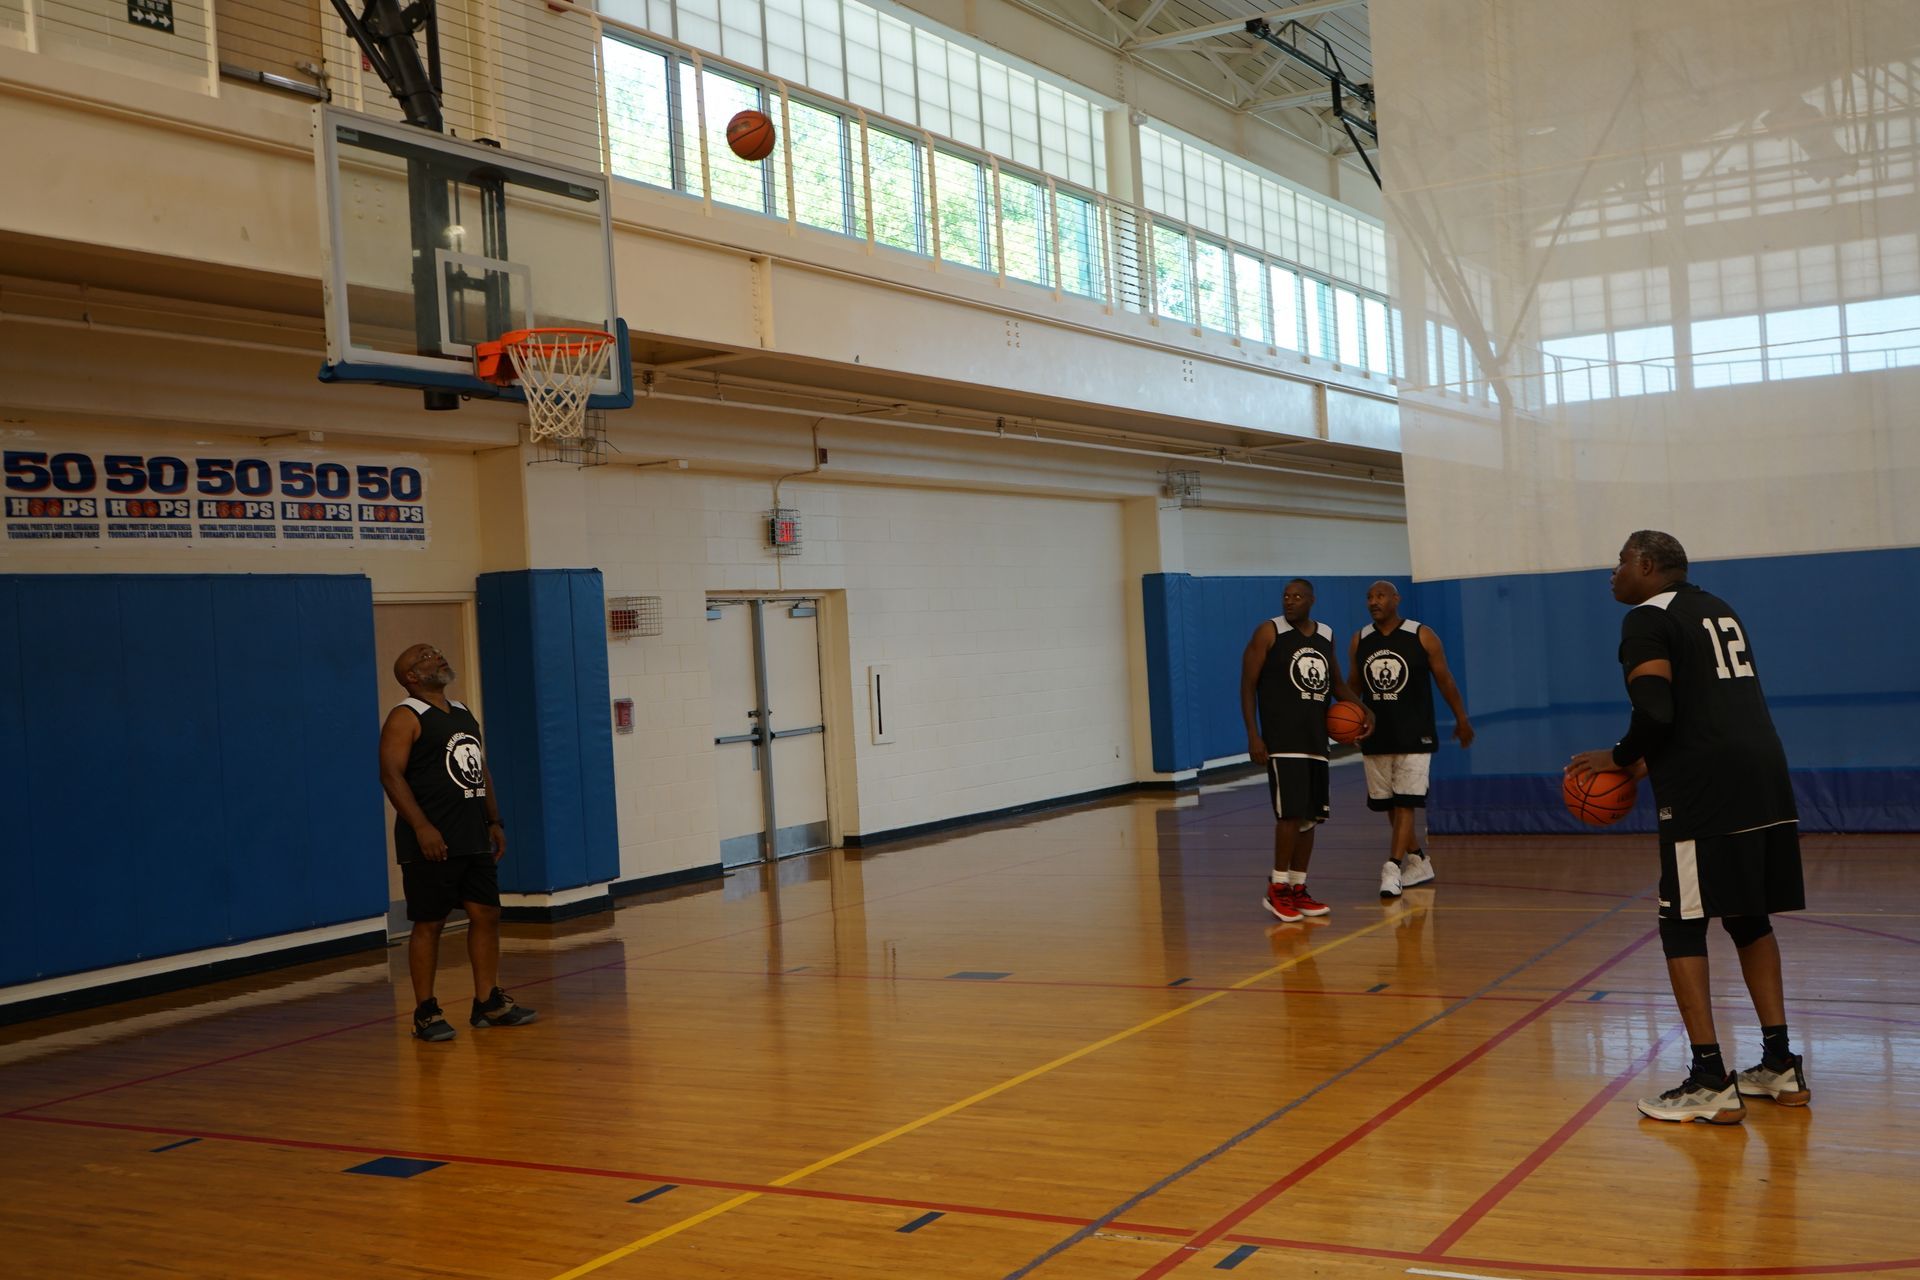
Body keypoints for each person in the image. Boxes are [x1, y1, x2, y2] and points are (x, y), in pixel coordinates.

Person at [1567, 531, 1808, 1124]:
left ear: (1648, 566)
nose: (1613, 572)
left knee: (1682, 922)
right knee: (1749, 917)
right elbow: (1704, 706)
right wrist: (1653, 758)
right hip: (1764, 771)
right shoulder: (1716, 608)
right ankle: (1779, 1065)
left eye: (1621, 560)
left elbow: (1654, 708)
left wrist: (1621, 757)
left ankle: (1709, 1079)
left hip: (1707, 792)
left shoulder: (1646, 618)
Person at [379, 643, 538, 1042]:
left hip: (473, 835)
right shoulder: (406, 716)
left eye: (436, 652)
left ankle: (488, 1003)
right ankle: (426, 1013)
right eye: (425, 657)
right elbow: (391, 775)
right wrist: (421, 827)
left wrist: (494, 820)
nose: (437, 657)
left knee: (486, 915)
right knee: (429, 923)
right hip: (431, 840)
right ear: (411, 677)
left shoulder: (464, 712)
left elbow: (479, 768)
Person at [1240, 578, 1374, 922]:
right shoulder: (1269, 632)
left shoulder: (1326, 634)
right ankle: (1277, 888)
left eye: (1297, 596)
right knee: (1289, 815)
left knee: (1310, 817)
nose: (1290, 601)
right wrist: (1254, 736)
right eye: (1286, 596)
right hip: (1283, 740)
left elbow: (1337, 685)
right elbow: (1247, 684)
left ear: (1312, 600)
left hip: (1316, 739)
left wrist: (1365, 710)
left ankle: (1298, 887)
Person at [1349, 581, 1474, 899]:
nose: (1373, 602)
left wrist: (1461, 718)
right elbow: (1351, 687)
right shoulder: (1360, 639)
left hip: (1415, 733)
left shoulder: (1422, 634)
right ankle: (1418, 860)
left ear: (1396, 599)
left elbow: (1445, 679)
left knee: (1406, 802)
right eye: (1369, 597)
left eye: (1379, 596)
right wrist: (1350, 722)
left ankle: (1392, 868)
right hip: (1377, 735)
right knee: (1390, 802)